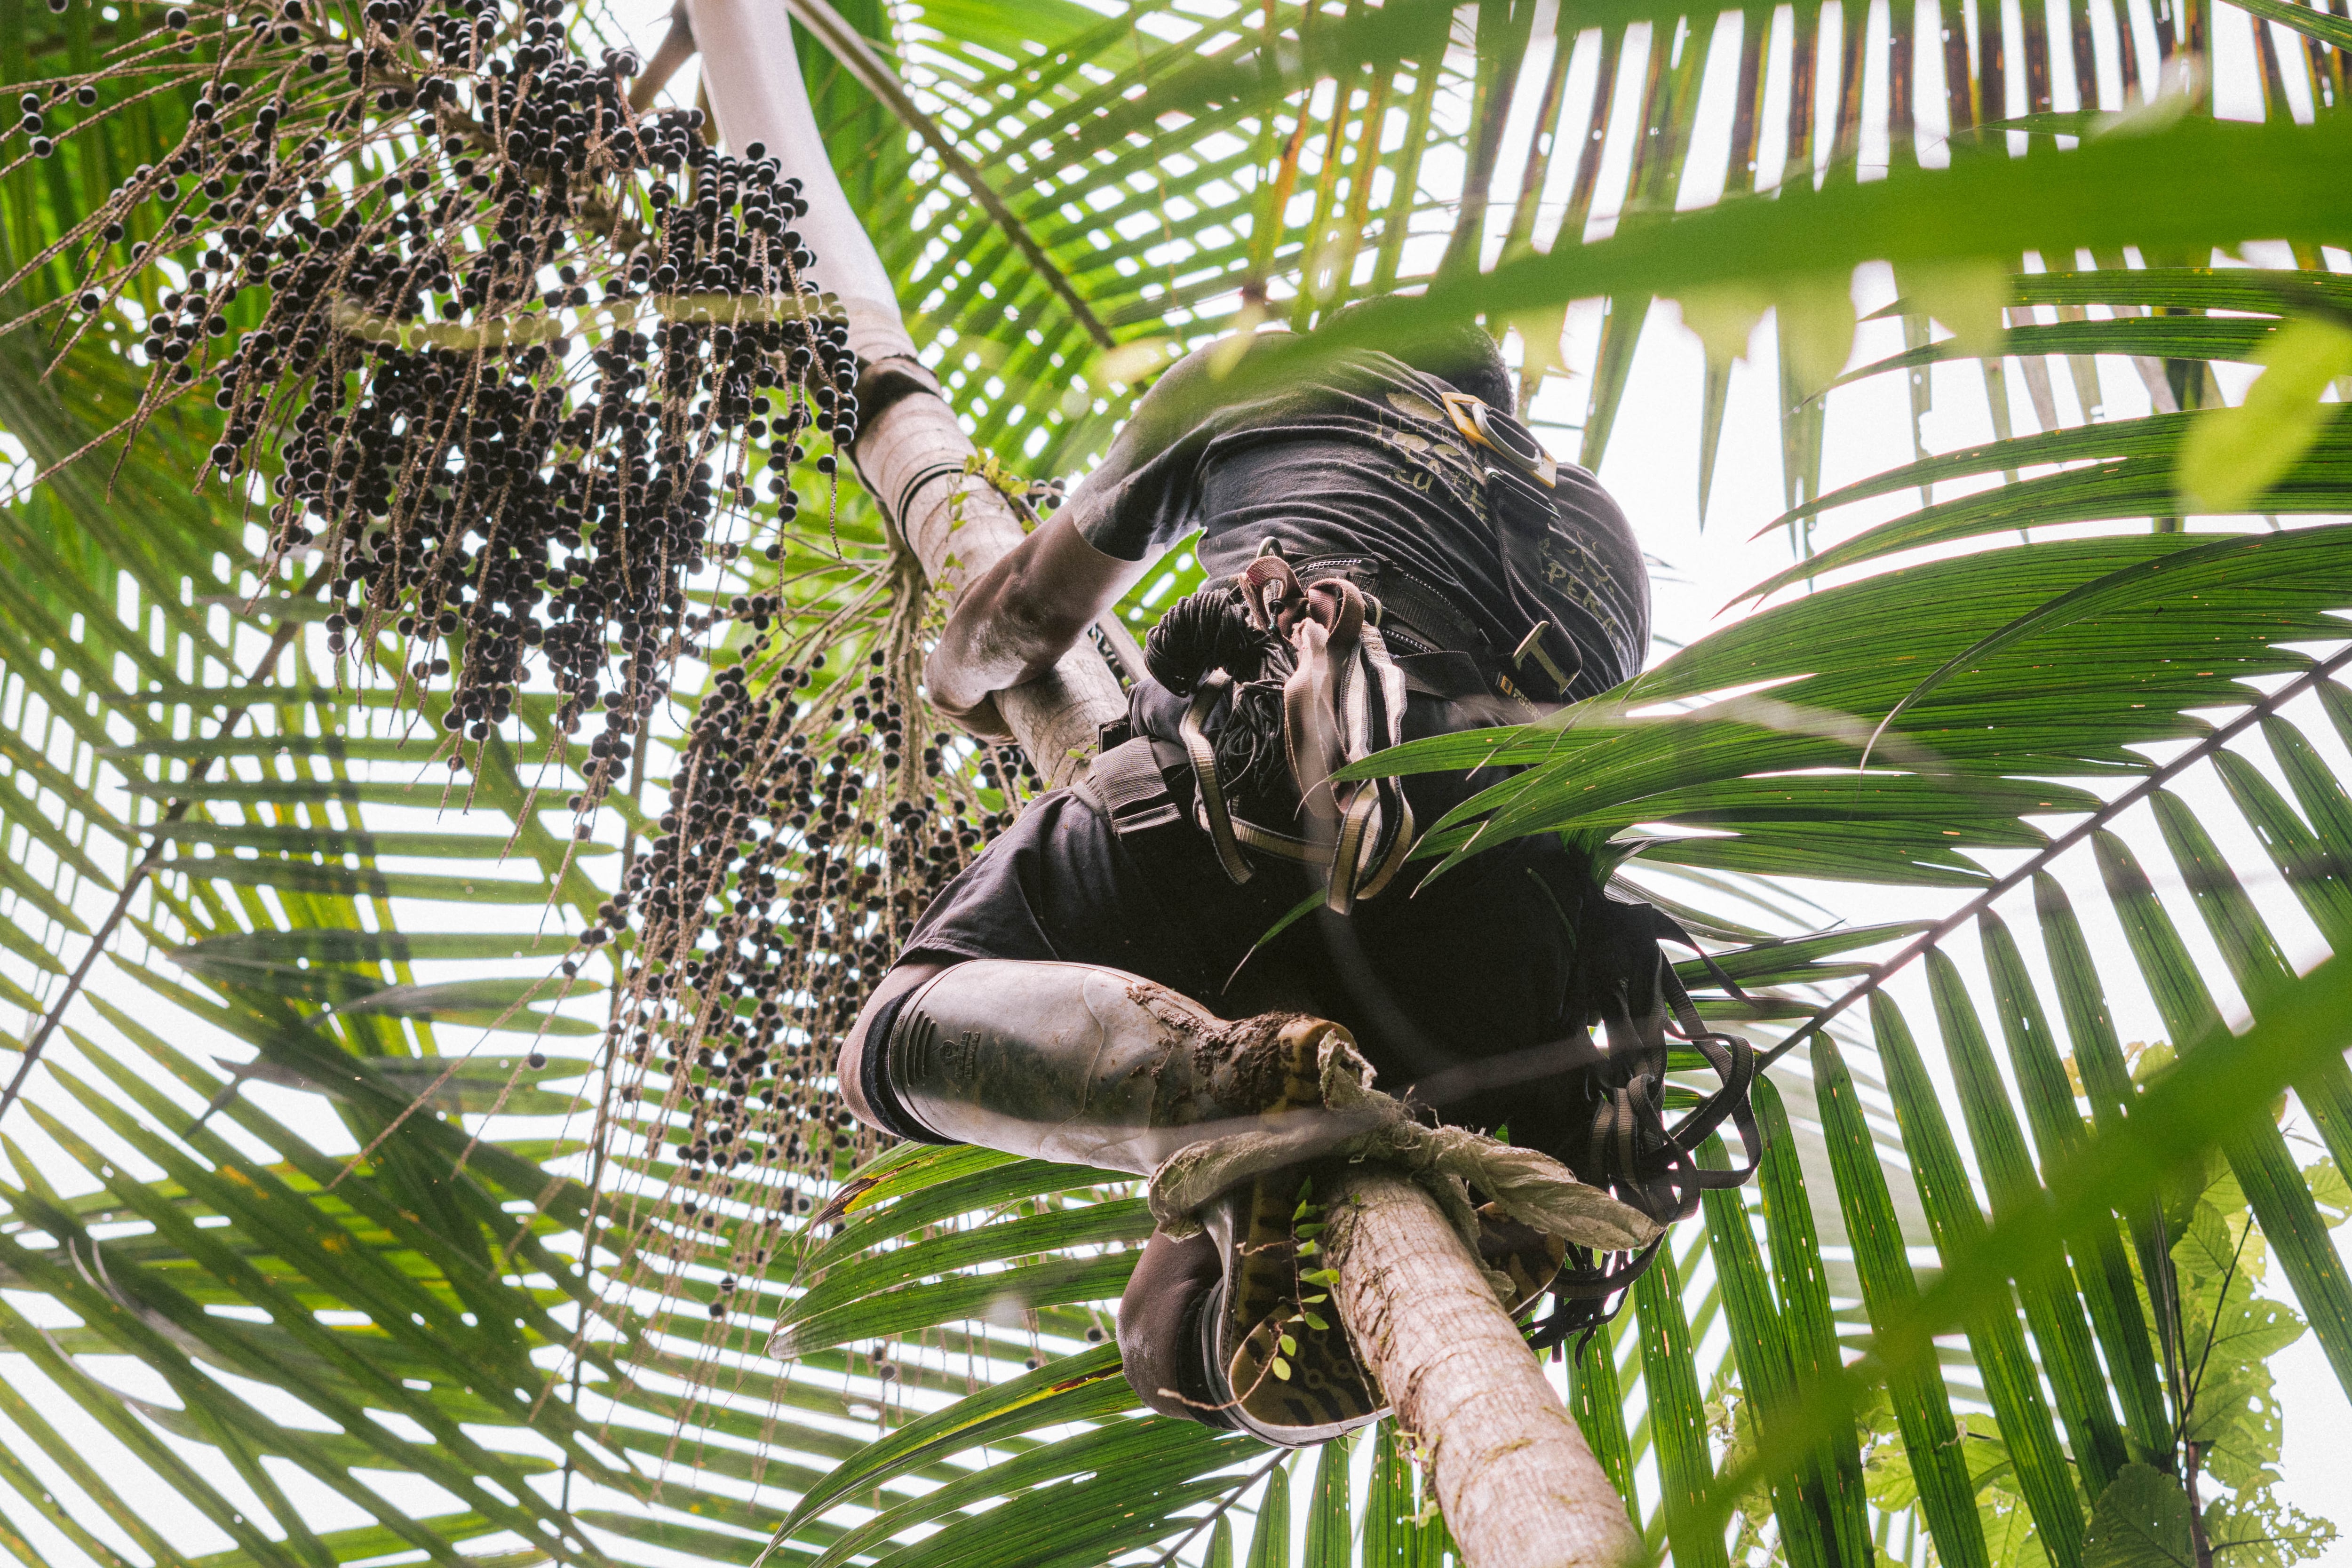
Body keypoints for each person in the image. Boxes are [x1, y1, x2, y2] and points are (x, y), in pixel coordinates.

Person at [837, 303, 1754, 1446]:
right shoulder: (1597, 529)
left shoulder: (1271, 372)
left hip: (1272, 799)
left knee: (889, 1041)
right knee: (1175, 1340)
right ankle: (1348, 1135)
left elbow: (1024, 611)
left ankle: (1231, 1077)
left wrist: (951, 680)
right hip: (1503, 963)